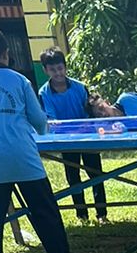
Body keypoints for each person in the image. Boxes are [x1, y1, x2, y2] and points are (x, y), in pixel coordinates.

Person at [0, 27, 76, 253]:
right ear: (6, 53)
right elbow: (39, 121)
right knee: (44, 209)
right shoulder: (19, 80)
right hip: (23, 157)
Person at [37, 47, 108, 224]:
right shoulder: (44, 93)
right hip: (65, 141)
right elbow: (52, 120)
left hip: (88, 139)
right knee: (73, 177)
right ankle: (82, 215)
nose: (58, 73)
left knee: (96, 175)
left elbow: (89, 113)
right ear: (45, 70)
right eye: (53, 69)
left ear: (65, 67)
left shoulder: (80, 87)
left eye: (60, 68)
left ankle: (102, 214)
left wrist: (84, 128)